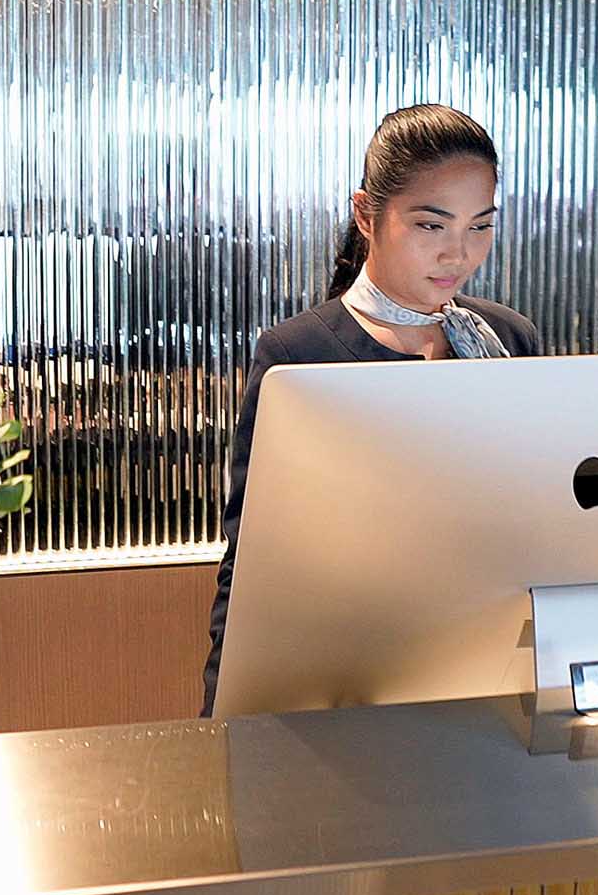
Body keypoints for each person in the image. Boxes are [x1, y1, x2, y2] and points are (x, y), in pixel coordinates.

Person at [200, 103, 545, 714]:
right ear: (367, 214)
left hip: (492, 671)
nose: (458, 255)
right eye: (431, 226)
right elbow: (253, 564)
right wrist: (223, 719)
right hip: (352, 683)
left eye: (480, 226)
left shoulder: (511, 340)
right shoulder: (299, 354)